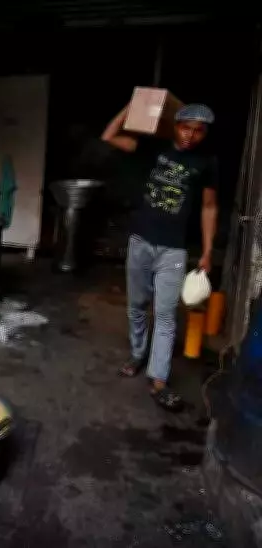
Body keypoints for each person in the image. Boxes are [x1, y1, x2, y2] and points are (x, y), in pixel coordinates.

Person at [102, 103, 218, 411]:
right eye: (186, 127)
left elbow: (209, 207)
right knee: (137, 306)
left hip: (174, 249)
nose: (190, 135)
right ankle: (137, 354)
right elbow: (109, 135)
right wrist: (132, 106)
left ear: (204, 134)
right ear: (175, 125)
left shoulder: (206, 163)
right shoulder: (152, 148)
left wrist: (207, 251)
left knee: (165, 314)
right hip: (140, 240)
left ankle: (158, 379)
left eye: (198, 131)